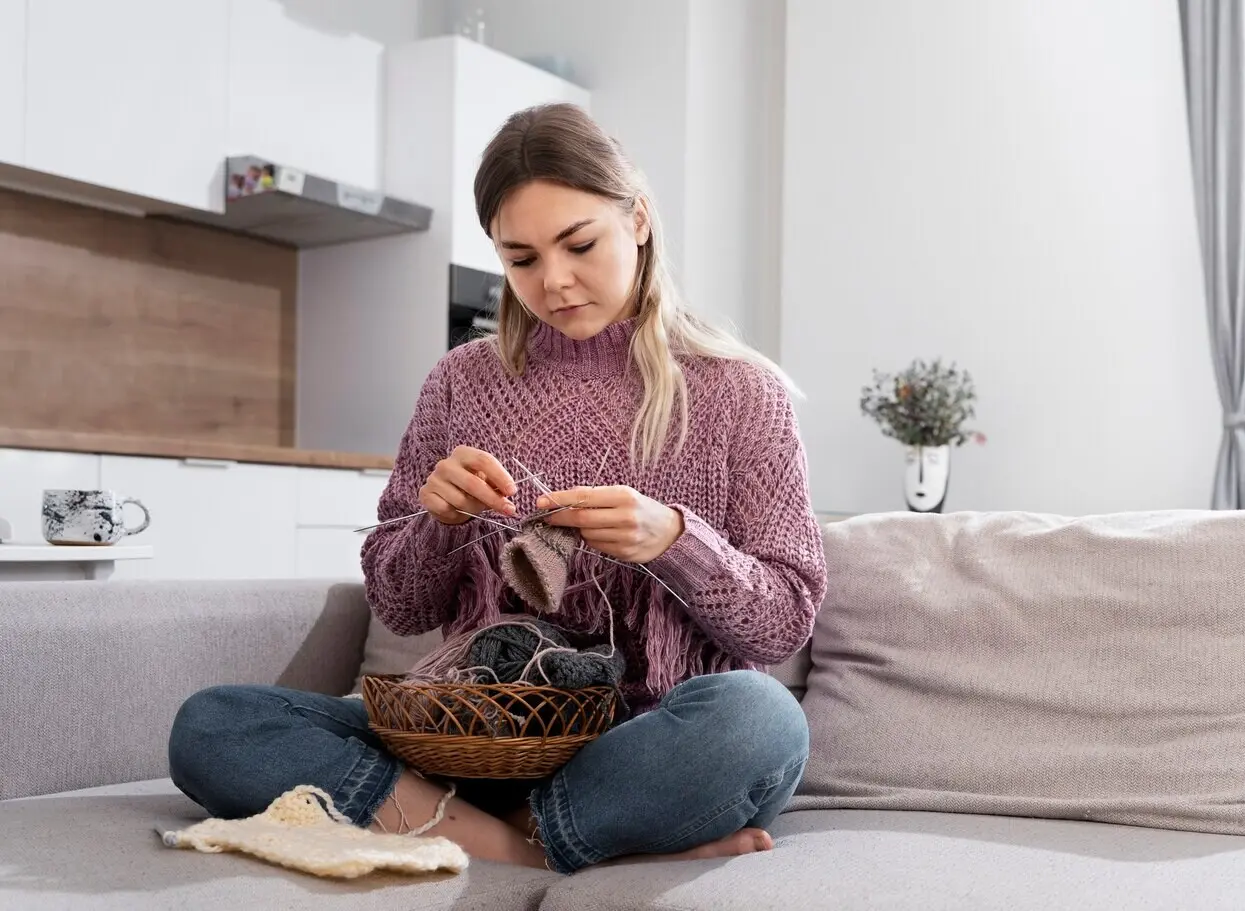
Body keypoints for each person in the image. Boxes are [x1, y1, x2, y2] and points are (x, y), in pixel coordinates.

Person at [166, 102, 827, 874]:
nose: (554, 280)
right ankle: (528, 848)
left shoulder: (741, 392)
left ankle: (443, 824)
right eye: (521, 258)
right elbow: (400, 601)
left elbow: (782, 624)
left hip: (645, 744)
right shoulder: (460, 384)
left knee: (758, 722)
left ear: (638, 218)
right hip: (470, 737)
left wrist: (676, 542)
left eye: (579, 244)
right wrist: (437, 521)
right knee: (213, 724)